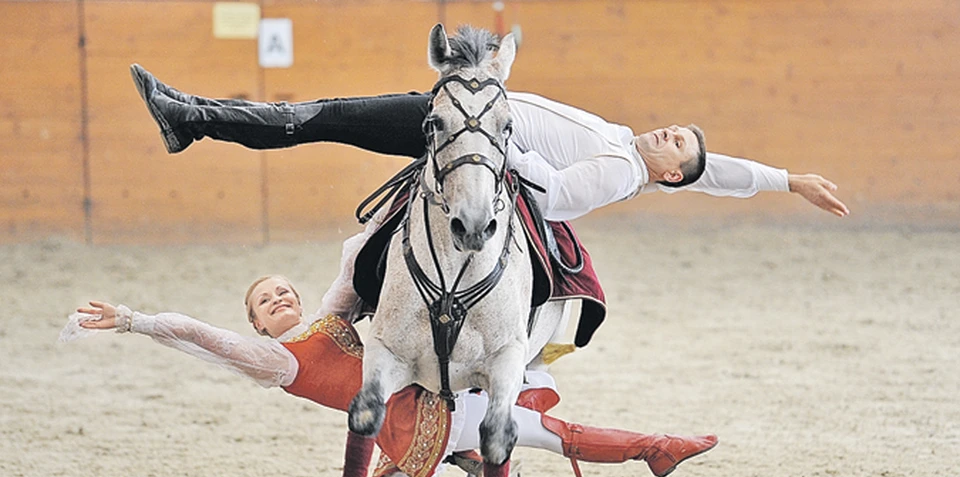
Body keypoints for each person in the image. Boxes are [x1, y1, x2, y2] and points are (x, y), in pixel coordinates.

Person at [62, 277, 717, 477]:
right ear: (260, 327)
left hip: (433, 389)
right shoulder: (281, 360)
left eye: (283, 289)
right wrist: (135, 320)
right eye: (266, 303)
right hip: (413, 418)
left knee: (539, 423)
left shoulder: (328, 321)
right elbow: (204, 335)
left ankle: (648, 447)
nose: (281, 299)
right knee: (536, 435)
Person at [130, 63, 850, 221]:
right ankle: (193, 117)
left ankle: (190, 119)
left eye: (678, 147)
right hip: (466, 114)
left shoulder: (618, 168)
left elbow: (559, 200)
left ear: (666, 176)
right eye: (680, 130)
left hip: (460, 128)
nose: (673, 133)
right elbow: (714, 171)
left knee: (324, 116)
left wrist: (493, 137)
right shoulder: (628, 142)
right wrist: (788, 179)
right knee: (326, 116)